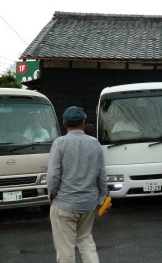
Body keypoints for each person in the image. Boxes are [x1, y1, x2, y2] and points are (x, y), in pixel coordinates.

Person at [47, 106, 108, 263]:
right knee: (86, 240)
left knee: (65, 249)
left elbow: (53, 176)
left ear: (64, 124)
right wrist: (102, 199)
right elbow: (102, 176)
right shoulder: (95, 143)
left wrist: (52, 195)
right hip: (89, 203)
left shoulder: (59, 143)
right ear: (83, 123)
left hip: (65, 203)